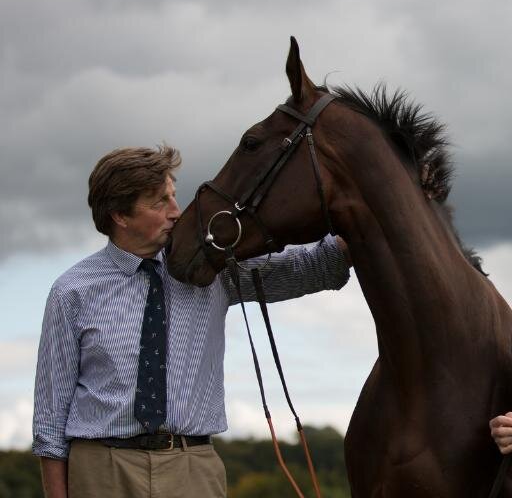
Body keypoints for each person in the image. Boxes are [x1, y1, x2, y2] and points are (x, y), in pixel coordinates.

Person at [32, 145, 352, 498]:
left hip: (192, 468)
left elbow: (314, 267)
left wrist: (366, 215)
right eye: (159, 202)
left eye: (174, 196)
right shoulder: (71, 291)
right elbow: (50, 417)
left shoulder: (213, 269)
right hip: (101, 471)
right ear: (120, 215)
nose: (176, 212)